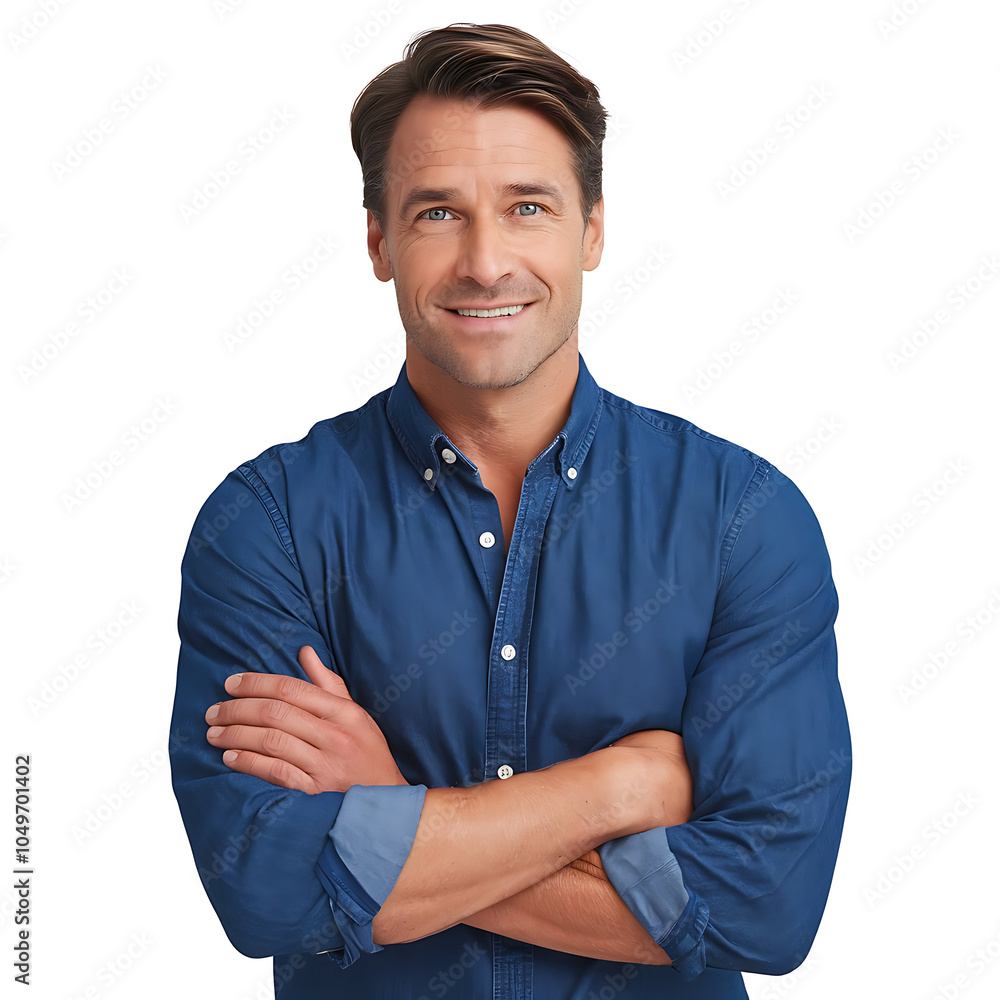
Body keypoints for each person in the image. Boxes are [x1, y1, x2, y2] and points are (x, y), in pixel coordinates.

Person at [169, 22, 851, 999]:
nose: (485, 262)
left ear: (594, 229)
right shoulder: (268, 524)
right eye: (438, 213)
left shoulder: (741, 520)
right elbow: (268, 894)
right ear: (378, 241)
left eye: (526, 207)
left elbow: (764, 906)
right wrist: (616, 790)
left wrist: (389, 811)